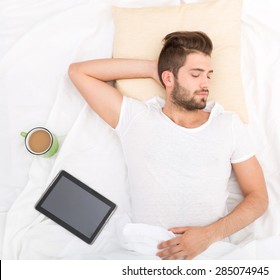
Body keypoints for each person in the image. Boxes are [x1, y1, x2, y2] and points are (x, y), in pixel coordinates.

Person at [68, 31, 268, 260]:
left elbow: (258, 197)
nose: (206, 84)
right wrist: (153, 69)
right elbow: (79, 72)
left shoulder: (227, 124)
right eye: (196, 74)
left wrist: (208, 235)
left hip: (210, 254)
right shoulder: (136, 118)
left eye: (209, 75)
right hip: (145, 254)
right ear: (168, 79)